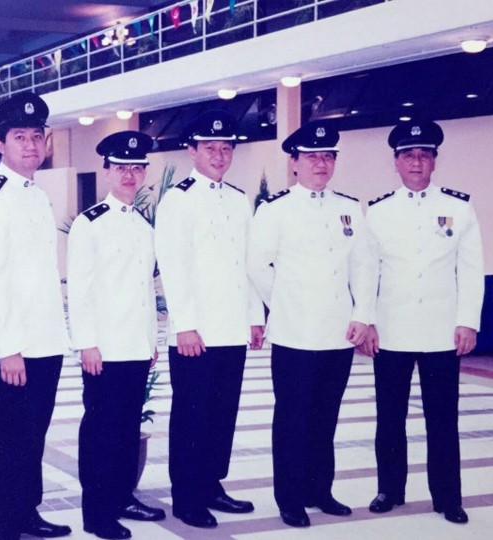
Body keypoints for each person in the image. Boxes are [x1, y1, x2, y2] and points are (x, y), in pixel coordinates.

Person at [247, 122, 375, 528]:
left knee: (325, 417)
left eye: (328, 156)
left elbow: (364, 265)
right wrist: (283, 303)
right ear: (294, 163)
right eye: (312, 157)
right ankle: (289, 497)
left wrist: (361, 315)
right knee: (292, 418)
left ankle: (320, 490)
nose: (321, 163)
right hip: (294, 333)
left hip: (337, 333)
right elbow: (256, 264)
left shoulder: (350, 207)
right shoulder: (276, 209)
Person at [359, 119, 484, 525]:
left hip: (440, 332)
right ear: (395, 162)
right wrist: (367, 320)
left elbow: (470, 270)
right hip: (392, 332)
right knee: (390, 418)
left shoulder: (458, 208)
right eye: (408, 155)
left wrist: (468, 322)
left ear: (434, 161)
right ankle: (389, 490)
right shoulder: (377, 212)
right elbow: (367, 272)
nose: (416, 161)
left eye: (424, 155)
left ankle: (448, 497)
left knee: (443, 418)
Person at [0, 91, 72, 540]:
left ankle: (24, 511)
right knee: (5, 439)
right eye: (19, 136)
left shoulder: (34, 195)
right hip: (13, 348)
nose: (30, 144)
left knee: (31, 438)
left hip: (44, 341)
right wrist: (9, 349)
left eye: (36, 136)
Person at [154, 110, 265, 529]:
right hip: (195, 332)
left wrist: (255, 317)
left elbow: (249, 264)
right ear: (192, 150)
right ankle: (187, 494)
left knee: (223, 414)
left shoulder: (238, 199)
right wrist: (184, 325)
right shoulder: (178, 199)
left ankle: (212, 484)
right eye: (210, 148)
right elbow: (173, 266)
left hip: (232, 328)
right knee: (192, 415)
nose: (219, 155)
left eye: (226, 148)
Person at [67, 131, 167, 540]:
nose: (129, 174)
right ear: (106, 172)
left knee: (126, 428)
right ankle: (97, 512)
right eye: (121, 167)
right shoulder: (90, 225)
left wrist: (151, 342)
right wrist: (87, 343)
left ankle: (123, 496)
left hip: (135, 346)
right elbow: (80, 289)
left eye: (136, 167)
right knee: (101, 430)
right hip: (104, 348)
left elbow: (145, 291)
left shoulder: (143, 225)